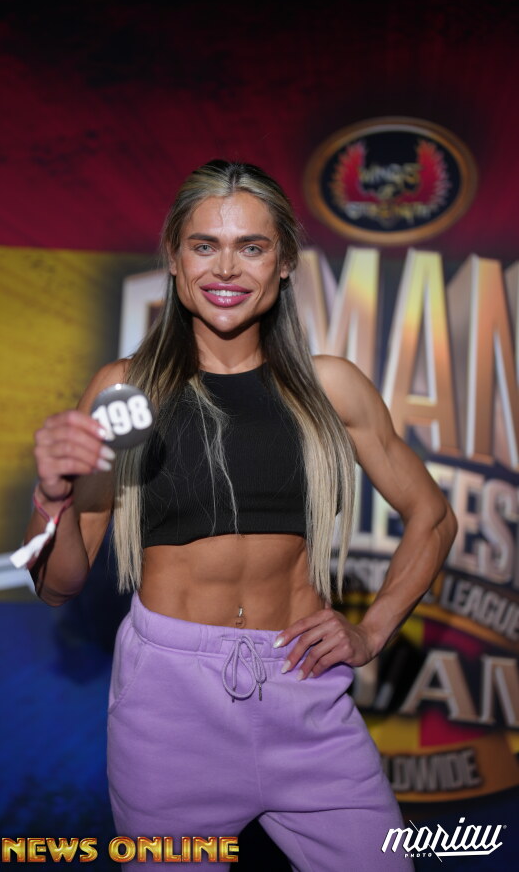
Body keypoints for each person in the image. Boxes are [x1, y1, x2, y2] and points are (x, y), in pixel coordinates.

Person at [24, 160, 457, 870]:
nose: (226, 267)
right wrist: (55, 497)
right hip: (169, 711)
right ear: (174, 257)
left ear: (284, 262)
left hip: (305, 696)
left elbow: (432, 517)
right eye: (204, 245)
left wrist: (372, 631)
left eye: (251, 247)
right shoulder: (126, 392)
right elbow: (58, 585)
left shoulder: (332, 389)